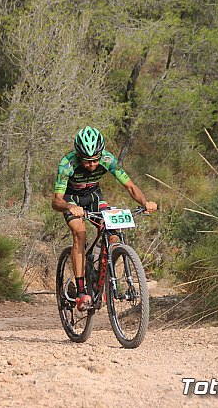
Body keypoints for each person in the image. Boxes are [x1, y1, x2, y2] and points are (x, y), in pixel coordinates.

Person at [52, 126, 157, 311]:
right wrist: (70, 207)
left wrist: (145, 202)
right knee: (80, 232)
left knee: (113, 234)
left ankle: (103, 271)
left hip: (94, 197)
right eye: (87, 161)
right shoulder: (67, 163)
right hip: (71, 199)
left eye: (95, 160)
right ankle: (81, 290)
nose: (92, 165)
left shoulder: (108, 159)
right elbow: (56, 200)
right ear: (78, 155)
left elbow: (131, 187)